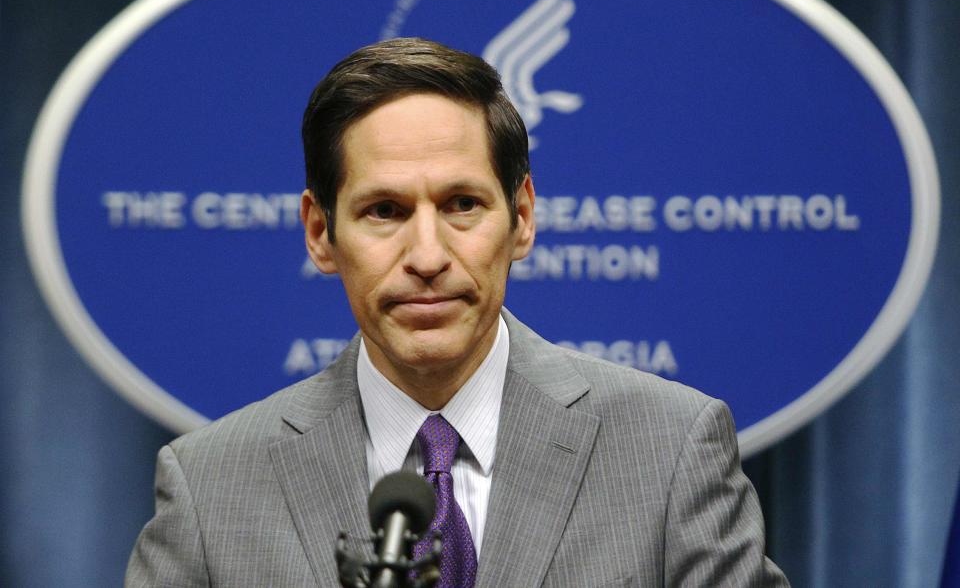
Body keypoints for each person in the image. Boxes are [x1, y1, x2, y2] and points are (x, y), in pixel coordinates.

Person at [126, 37, 788, 587]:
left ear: (522, 217)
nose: (427, 254)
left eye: (461, 204)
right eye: (384, 211)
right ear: (320, 233)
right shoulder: (209, 489)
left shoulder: (669, 452)